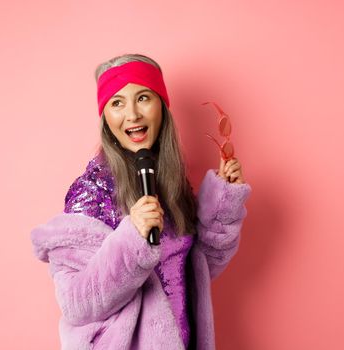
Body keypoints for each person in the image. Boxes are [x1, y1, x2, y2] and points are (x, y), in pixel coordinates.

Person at [30, 53, 252, 350]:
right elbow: (77, 303)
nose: (132, 114)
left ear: (162, 106)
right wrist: (132, 239)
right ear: (106, 118)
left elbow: (193, 273)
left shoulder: (169, 183)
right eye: (117, 103)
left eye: (143, 97)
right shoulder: (91, 192)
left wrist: (223, 202)